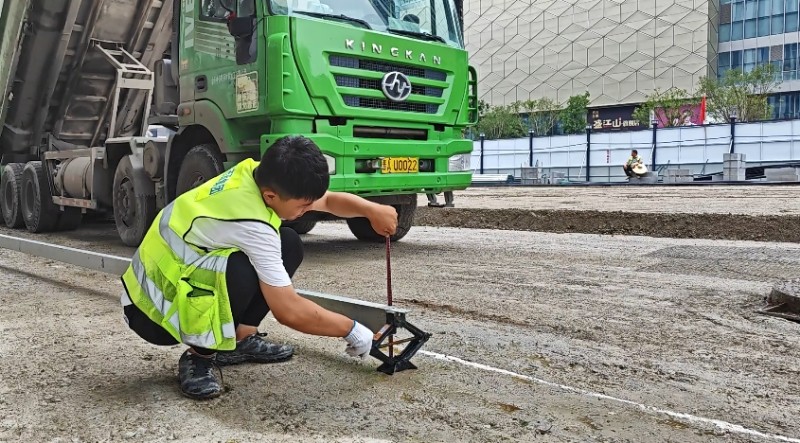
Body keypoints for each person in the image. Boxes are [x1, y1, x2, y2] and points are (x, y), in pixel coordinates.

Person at [119, 135, 398, 400]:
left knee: (288, 243)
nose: (307, 211)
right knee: (239, 271)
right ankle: (199, 356)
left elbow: (326, 201)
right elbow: (288, 310)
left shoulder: (257, 173)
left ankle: (241, 338)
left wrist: (372, 210)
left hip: (173, 279)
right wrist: (351, 329)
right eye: (302, 206)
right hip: (152, 312)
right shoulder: (252, 222)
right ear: (271, 196)